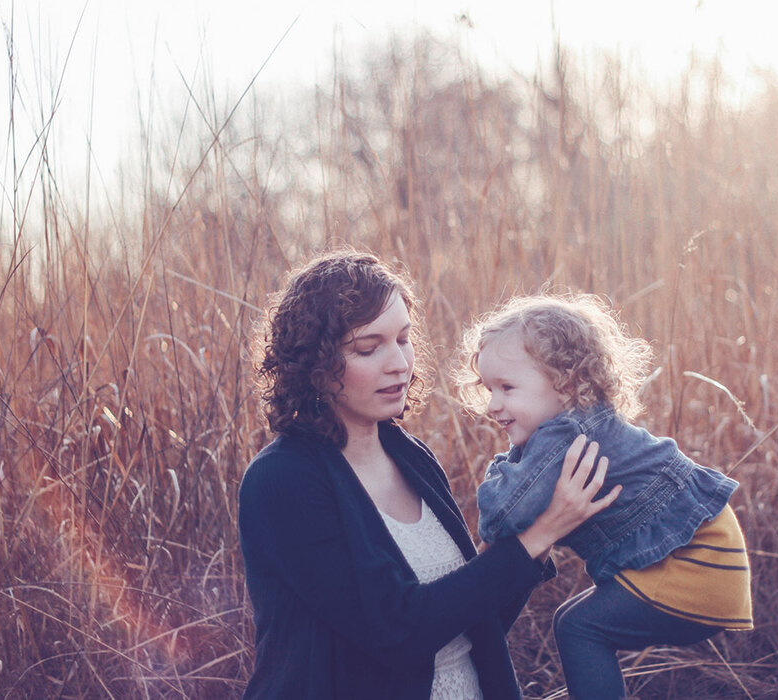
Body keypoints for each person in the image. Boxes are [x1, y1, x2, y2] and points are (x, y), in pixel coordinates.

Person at [238, 250, 621, 700]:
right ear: (315, 364)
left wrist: (539, 523)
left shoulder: (411, 456)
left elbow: (473, 623)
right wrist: (540, 533)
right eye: (368, 348)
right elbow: (397, 634)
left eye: (403, 339)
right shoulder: (282, 480)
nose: (399, 363)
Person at [458, 292, 754, 700]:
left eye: (507, 388)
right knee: (570, 618)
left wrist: (504, 467)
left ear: (565, 384)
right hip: (712, 559)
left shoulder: (564, 435)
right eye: (488, 388)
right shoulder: (584, 422)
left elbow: (499, 517)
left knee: (579, 628)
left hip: (694, 565)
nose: (493, 405)